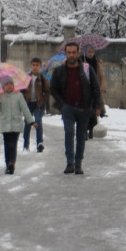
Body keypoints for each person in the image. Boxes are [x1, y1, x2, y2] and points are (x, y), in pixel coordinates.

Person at [49, 42, 102, 175]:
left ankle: (78, 164)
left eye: (74, 52)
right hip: (68, 108)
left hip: (84, 108)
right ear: (65, 54)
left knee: (81, 136)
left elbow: (96, 88)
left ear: (78, 53)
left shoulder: (87, 69)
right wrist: (62, 104)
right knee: (68, 134)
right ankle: (70, 163)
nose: (71, 55)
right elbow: (53, 88)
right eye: (69, 52)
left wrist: (97, 106)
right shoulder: (59, 71)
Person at [0, 79, 34, 175]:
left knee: (13, 144)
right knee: (7, 145)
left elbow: (25, 109)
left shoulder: (19, 96)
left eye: (11, 84)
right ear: (3, 86)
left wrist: (31, 121)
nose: (9, 86)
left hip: (16, 124)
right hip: (5, 125)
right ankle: (7, 163)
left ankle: (12, 163)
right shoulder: (1, 96)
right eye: (6, 84)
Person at [22, 58, 49, 153]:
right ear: (31, 66)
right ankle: (26, 144)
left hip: (38, 104)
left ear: (40, 67)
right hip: (28, 104)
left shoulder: (42, 78)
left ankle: (39, 143)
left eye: (37, 65)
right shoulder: (26, 78)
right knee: (27, 123)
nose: (35, 67)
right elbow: (22, 90)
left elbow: (48, 91)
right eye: (33, 65)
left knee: (38, 122)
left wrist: (43, 99)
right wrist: (24, 99)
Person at [82, 46, 106, 139]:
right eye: (89, 52)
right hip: (84, 89)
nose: (90, 54)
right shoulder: (82, 61)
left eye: (92, 52)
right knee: (85, 110)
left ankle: (91, 129)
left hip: (94, 89)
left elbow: (102, 76)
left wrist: (102, 87)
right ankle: (84, 130)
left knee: (94, 110)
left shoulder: (97, 62)